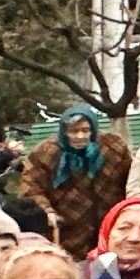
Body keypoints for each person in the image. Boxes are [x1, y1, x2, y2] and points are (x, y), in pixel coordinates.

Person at [19, 108, 130, 261]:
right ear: (64, 131)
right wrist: (46, 210)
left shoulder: (113, 147)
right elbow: (30, 186)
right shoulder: (46, 152)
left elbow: (130, 179)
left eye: (85, 130)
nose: (80, 136)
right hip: (66, 227)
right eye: (73, 131)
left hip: (109, 224)